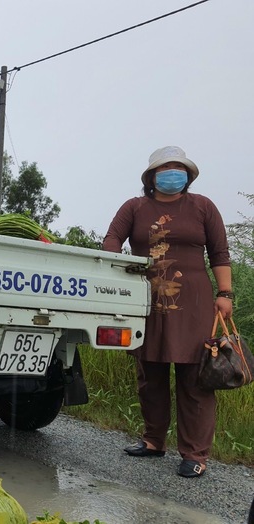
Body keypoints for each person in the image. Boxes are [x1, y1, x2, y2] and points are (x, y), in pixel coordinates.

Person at [103, 146, 232, 478]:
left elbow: (219, 252)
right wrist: (114, 276)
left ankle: (195, 454)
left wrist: (225, 293)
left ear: (188, 175)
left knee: (195, 378)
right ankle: (153, 441)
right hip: (144, 298)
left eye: (180, 168)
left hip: (195, 301)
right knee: (150, 373)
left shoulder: (203, 207)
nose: (174, 172)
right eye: (166, 167)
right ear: (151, 176)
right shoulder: (134, 207)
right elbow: (112, 241)